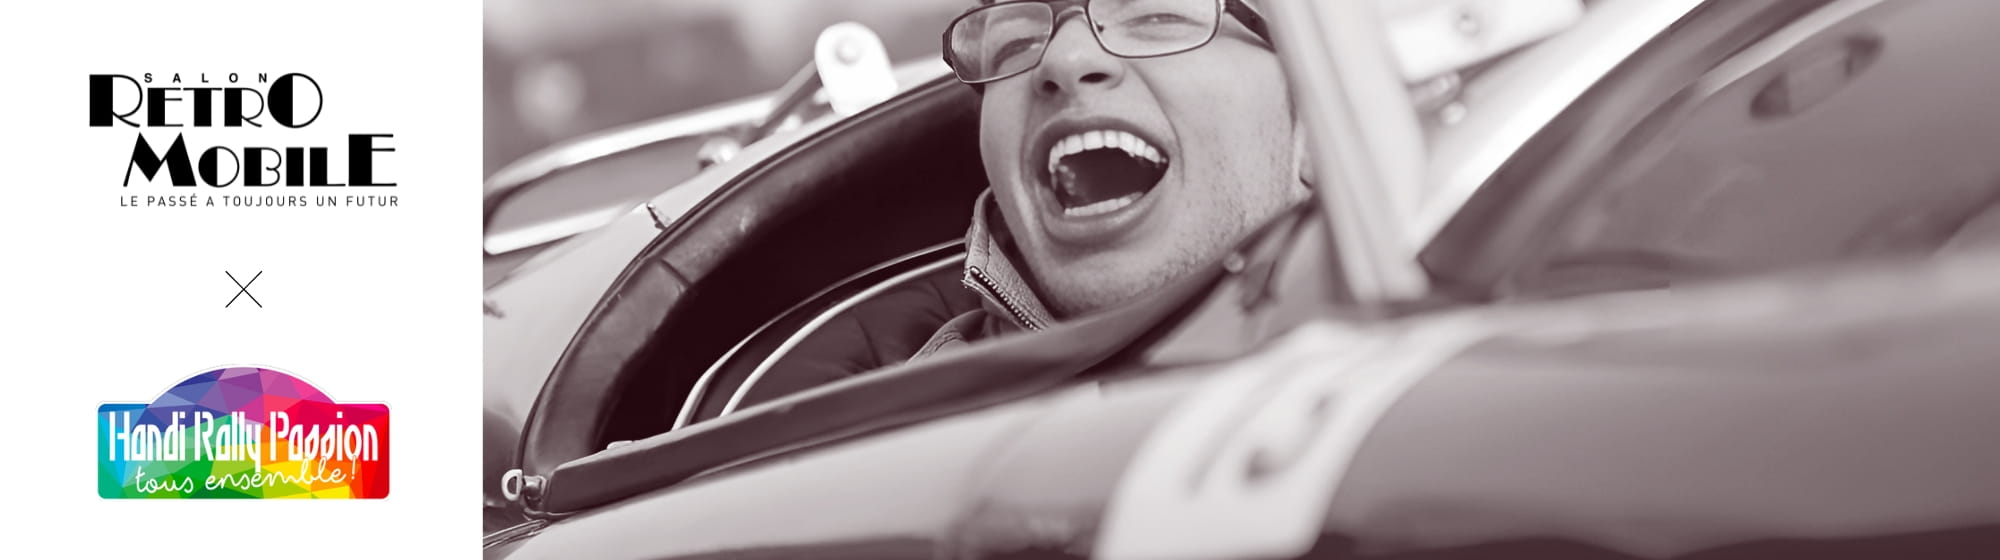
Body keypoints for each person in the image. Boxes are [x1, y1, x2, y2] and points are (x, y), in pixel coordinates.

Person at [913, 0, 1312, 358]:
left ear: (1320, 128)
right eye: (1014, 41)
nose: (1064, 57)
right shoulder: (907, 435)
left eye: (1156, 13)